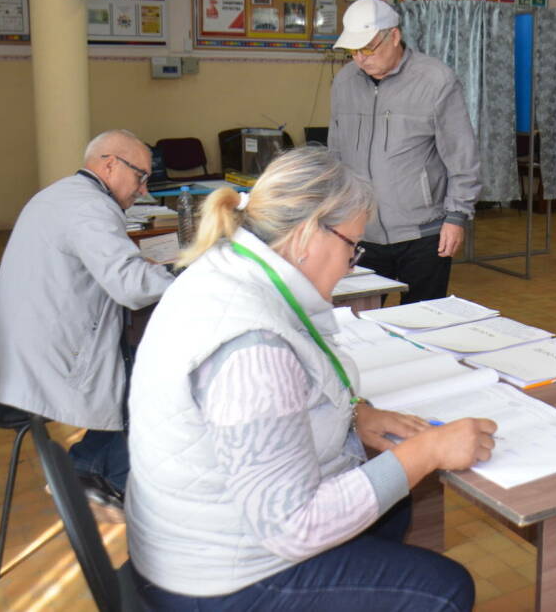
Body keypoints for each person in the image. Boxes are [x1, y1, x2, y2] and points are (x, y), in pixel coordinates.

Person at [126, 146, 496, 610]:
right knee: (445, 589)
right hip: (219, 580)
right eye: (351, 246)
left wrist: (351, 417)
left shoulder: (228, 270)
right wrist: (426, 453)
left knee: (392, 509)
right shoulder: (252, 346)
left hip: (196, 541)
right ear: (307, 233)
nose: (351, 264)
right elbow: (293, 527)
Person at [0, 129, 173, 516]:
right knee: (151, 377)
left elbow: (113, 269)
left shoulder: (66, 194)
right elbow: (130, 287)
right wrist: (186, 277)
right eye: (140, 177)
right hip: (40, 357)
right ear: (110, 164)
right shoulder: (90, 208)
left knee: (135, 362)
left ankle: (88, 466)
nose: (144, 191)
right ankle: (112, 476)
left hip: (22, 341)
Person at [328, 0, 481, 303]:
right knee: (362, 325)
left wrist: (456, 217)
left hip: (423, 233)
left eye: (368, 47)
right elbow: (336, 155)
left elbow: (462, 155)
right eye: (353, 50)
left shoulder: (436, 80)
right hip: (361, 232)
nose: (360, 57)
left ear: (394, 35)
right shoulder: (344, 83)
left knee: (423, 325)